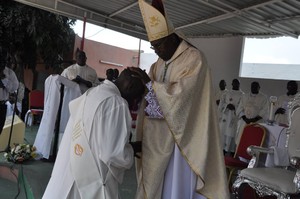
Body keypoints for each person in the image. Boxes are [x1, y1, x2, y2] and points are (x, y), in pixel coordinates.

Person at [132, 1, 230, 198]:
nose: (157, 51)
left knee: (175, 186)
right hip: (158, 138)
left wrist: (150, 86)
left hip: (183, 141)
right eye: (153, 47)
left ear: (172, 37)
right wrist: (142, 87)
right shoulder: (158, 64)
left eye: (158, 45)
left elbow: (183, 98)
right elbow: (152, 100)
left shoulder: (194, 58)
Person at [42, 67, 146, 199]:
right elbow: (114, 154)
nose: (135, 103)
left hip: (70, 168)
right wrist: (131, 149)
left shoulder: (94, 92)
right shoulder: (117, 103)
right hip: (90, 180)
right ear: (130, 86)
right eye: (137, 97)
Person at [218, 79, 244, 156]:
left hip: (234, 118)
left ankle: (230, 151)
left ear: (239, 84)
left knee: (231, 134)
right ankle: (221, 150)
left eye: (237, 84)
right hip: (225, 116)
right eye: (234, 83)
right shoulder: (226, 93)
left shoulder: (242, 95)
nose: (236, 85)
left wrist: (235, 107)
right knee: (222, 132)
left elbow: (242, 106)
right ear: (232, 84)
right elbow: (221, 103)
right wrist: (227, 106)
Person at [0, 51, 19, 134]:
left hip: (1, 105)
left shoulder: (9, 73)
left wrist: (4, 79)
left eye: (3, 61)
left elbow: (14, 87)